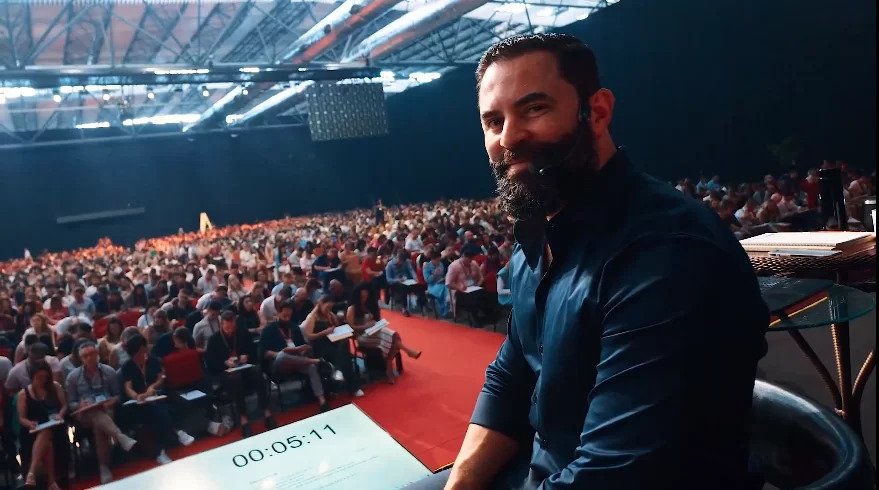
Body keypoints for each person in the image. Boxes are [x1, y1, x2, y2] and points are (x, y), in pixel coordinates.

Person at [408, 34, 767, 489]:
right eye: (494, 121)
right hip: (548, 469)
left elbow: (615, 472)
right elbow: (512, 377)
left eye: (534, 108)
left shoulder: (667, 253)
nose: (509, 137)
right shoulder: (537, 235)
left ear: (596, 112)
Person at [65, 341, 137, 483]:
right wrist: (79, 404)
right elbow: (71, 403)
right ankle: (119, 436)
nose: (89, 358)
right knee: (95, 415)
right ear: (80, 358)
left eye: (91, 354)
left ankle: (104, 467)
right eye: (85, 356)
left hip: (106, 408)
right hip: (84, 414)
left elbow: (117, 395)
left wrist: (110, 402)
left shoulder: (109, 371)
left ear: (97, 354)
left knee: (99, 422)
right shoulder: (73, 377)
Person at [119, 334, 194, 465]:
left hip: (155, 396)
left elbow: (160, 378)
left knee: (163, 406)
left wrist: (152, 387)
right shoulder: (128, 366)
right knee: (155, 411)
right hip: (138, 403)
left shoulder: (152, 360)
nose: (143, 353)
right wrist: (137, 396)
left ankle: (171, 439)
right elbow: (128, 387)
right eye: (139, 351)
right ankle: (172, 437)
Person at [204, 310, 276, 438]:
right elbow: (210, 363)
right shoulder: (214, 340)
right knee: (235, 380)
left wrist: (246, 356)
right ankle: (244, 419)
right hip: (226, 373)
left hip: (244, 368)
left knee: (257, 373)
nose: (230, 330)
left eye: (232, 327)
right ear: (222, 325)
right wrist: (225, 362)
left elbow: (254, 352)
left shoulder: (243, 333)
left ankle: (266, 412)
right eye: (227, 328)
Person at [257, 300, 330, 413]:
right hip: (278, 365)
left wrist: (302, 350)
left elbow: (303, 346)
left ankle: (322, 401)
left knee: (311, 367)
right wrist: (280, 353)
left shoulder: (294, 328)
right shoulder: (268, 330)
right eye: (284, 316)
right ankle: (316, 361)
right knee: (282, 356)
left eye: (289, 316)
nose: (287, 319)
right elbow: (263, 353)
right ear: (278, 313)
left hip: (297, 362)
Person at [346, 283, 420, 384]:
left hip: (376, 333)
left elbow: (377, 320)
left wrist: (377, 323)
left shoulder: (369, 306)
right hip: (362, 337)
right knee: (392, 335)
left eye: (366, 297)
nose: (364, 299)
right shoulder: (352, 309)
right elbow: (351, 328)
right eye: (362, 297)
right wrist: (365, 326)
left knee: (389, 334)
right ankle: (407, 351)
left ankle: (389, 366)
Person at [16, 359, 68, 489]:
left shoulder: (55, 387)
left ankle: (31, 473)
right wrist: (29, 423)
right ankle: (51, 482)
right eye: (39, 377)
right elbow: (22, 418)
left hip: (55, 425)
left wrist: (60, 414)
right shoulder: (24, 394)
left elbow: (64, 406)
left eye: (44, 377)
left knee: (47, 434)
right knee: (47, 440)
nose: (42, 380)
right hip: (34, 430)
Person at [300, 295, 364, 397]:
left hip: (332, 344)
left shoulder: (329, 314)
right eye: (327, 307)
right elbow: (309, 336)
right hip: (320, 346)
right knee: (345, 357)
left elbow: (337, 327)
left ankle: (338, 370)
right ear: (321, 304)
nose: (328, 310)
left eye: (330, 308)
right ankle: (353, 387)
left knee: (344, 344)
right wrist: (324, 332)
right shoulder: (312, 317)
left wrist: (333, 318)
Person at [421, 251, 450, 318]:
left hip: (441, 283)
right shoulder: (427, 266)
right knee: (445, 288)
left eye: (439, 260)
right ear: (432, 259)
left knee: (446, 286)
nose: (438, 262)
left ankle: (445, 309)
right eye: (437, 261)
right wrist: (434, 274)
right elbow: (427, 280)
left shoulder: (441, 264)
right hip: (432, 286)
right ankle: (445, 308)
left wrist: (444, 278)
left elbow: (443, 275)